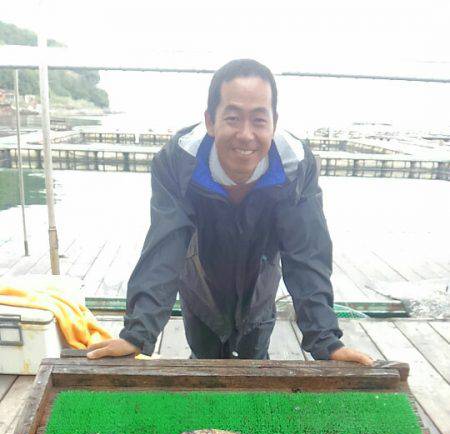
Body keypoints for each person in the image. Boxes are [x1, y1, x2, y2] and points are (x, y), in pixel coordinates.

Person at [87, 59, 373, 365]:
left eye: (259, 120)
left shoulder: (296, 168)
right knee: (203, 362)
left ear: (274, 121)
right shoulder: (178, 162)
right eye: (233, 118)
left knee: (255, 363)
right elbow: (166, 245)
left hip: (260, 287)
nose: (246, 135)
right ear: (211, 121)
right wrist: (137, 334)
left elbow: (306, 254)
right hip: (200, 286)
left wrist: (326, 340)